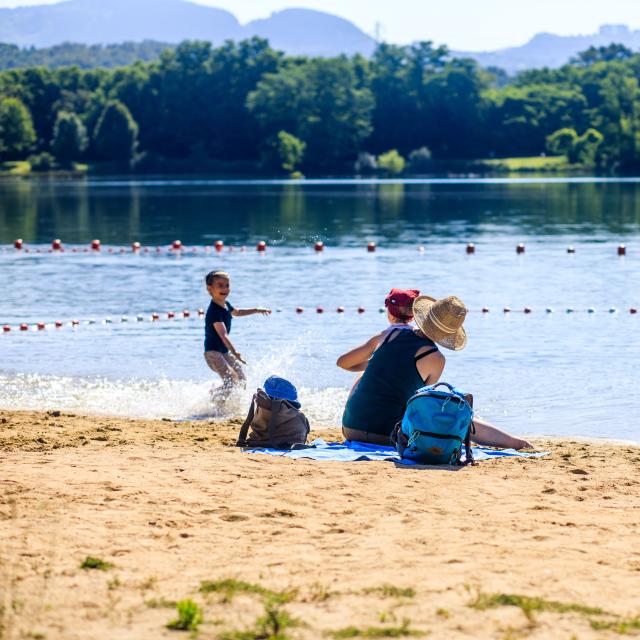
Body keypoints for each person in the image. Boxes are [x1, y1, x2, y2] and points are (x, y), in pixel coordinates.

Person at [337, 292, 532, 449]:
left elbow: (342, 362)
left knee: (365, 375)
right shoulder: (436, 359)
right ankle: (515, 443)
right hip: (387, 436)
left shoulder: (390, 334)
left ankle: (514, 442)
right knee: (454, 415)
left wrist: (375, 365)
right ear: (449, 333)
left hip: (350, 428)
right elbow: (419, 405)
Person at [204, 270, 271, 395]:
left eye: (227, 285)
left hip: (223, 352)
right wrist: (236, 353)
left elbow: (238, 312)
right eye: (220, 285)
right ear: (210, 289)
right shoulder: (214, 311)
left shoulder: (226, 305)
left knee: (241, 379)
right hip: (213, 353)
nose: (225, 288)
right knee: (230, 381)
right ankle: (213, 396)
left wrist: (256, 310)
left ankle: (229, 403)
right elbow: (223, 336)